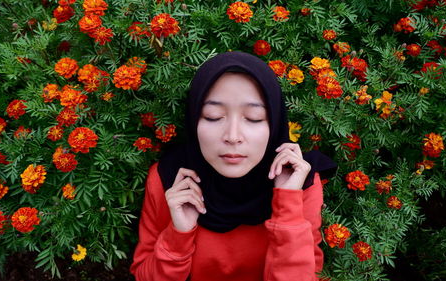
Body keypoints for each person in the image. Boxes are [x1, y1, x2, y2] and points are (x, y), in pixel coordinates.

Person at [130, 51, 336, 281]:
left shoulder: (297, 182)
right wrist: (178, 235)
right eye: (213, 116)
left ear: (275, 123)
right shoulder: (170, 180)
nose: (232, 136)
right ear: (194, 118)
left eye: (254, 117)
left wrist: (287, 206)